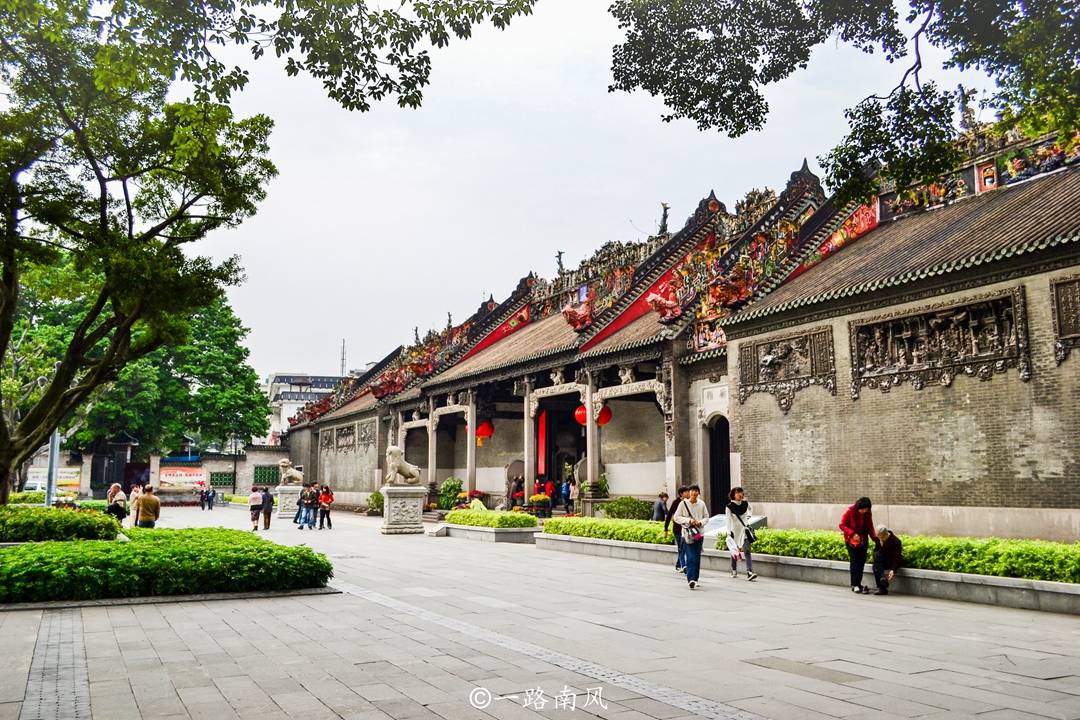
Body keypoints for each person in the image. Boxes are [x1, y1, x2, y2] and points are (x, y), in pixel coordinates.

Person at [673, 485, 709, 590]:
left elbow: (706, 517)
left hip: (699, 534)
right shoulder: (683, 503)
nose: (694, 493)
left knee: (697, 557)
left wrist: (700, 522)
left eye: (696, 491)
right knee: (690, 557)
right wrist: (689, 520)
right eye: (692, 491)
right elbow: (676, 517)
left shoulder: (701, 504)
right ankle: (690, 580)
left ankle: (695, 579)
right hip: (687, 534)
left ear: (699, 493)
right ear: (689, 492)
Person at [839, 496, 877, 594]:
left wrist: (875, 538)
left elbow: (870, 526)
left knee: (861, 562)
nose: (864, 511)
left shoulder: (868, 513)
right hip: (851, 541)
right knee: (855, 562)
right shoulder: (850, 511)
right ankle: (854, 585)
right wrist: (852, 533)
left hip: (863, 540)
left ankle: (858, 584)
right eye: (862, 509)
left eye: (866, 509)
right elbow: (842, 525)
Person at [725, 487, 757, 581]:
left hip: (745, 530)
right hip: (735, 531)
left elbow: (750, 509)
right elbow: (728, 520)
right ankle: (734, 569)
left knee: (747, 550)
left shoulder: (745, 503)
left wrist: (748, 516)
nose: (740, 494)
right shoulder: (729, 506)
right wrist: (728, 533)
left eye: (741, 492)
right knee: (735, 551)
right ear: (733, 495)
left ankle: (749, 572)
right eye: (738, 493)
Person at [664, 486, 690, 573]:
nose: (688, 493)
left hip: (687, 529)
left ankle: (679, 565)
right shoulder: (676, 502)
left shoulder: (689, 502)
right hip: (678, 529)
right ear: (681, 494)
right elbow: (669, 514)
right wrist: (666, 529)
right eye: (686, 492)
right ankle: (683, 565)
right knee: (681, 548)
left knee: (684, 548)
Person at [872, 525, 903, 595]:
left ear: (884, 534)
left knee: (876, 565)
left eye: (880, 536)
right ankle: (883, 580)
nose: (878, 538)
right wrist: (881, 544)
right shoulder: (878, 539)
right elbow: (875, 551)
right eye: (878, 536)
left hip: (890, 562)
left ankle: (882, 588)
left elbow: (897, 557)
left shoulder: (896, 541)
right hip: (880, 560)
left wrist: (893, 570)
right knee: (876, 557)